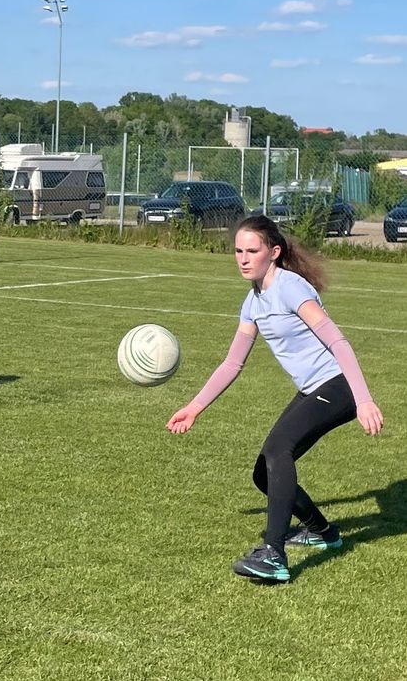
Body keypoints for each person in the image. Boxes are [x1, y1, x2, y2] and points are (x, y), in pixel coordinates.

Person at [166, 215, 383, 583]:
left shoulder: (290, 288)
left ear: (274, 251)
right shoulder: (253, 301)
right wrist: (194, 407)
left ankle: (274, 555)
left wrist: (363, 399)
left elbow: (338, 342)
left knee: (278, 449)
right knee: (264, 472)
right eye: (238, 250)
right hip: (314, 388)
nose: (243, 258)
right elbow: (233, 362)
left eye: (253, 250)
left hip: (337, 386)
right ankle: (322, 532)